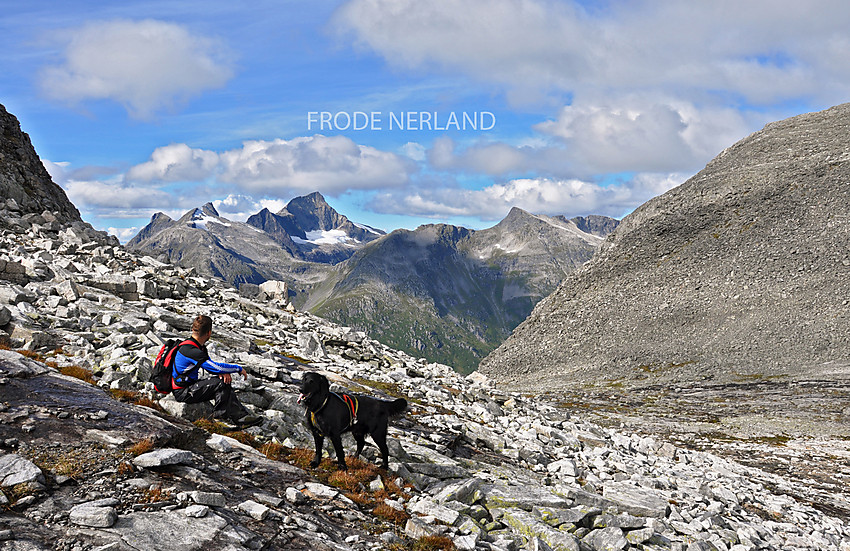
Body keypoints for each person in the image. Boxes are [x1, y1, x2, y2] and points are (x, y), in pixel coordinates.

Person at [172, 315, 261, 428]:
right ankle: (221, 419)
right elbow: (214, 367)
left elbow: (210, 365)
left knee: (223, 380)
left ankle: (240, 416)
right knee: (221, 383)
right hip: (183, 392)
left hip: (187, 386)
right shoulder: (192, 351)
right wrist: (238, 368)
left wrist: (221, 372)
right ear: (209, 333)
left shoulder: (193, 346)